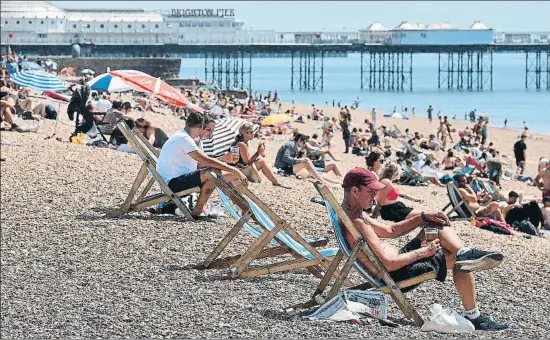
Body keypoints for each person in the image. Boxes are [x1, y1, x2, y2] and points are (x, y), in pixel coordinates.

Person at [340, 168, 507, 331]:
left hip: (400, 261)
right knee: (461, 262)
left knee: (436, 225)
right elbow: (389, 264)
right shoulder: (357, 222)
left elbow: (392, 231)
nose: (375, 195)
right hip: (396, 273)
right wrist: (423, 252)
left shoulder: (355, 214)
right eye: (370, 191)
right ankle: (474, 315)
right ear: (355, 191)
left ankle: (463, 252)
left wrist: (423, 217)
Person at [155, 112, 247, 219]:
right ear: (200, 127)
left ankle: (244, 208)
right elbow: (204, 161)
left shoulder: (183, 136)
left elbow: (201, 163)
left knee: (217, 175)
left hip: (173, 181)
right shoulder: (185, 139)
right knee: (214, 173)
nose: (207, 132)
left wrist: (230, 168)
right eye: (205, 128)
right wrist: (233, 169)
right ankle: (199, 210)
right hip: (172, 184)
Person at [231, 123, 290, 188]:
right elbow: (247, 161)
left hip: (240, 167)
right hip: (238, 169)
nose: (253, 134)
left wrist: (259, 152)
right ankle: (275, 182)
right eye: (251, 132)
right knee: (262, 162)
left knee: (262, 161)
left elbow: (248, 160)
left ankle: (275, 182)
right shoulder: (242, 144)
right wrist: (258, 152)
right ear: (246, 133)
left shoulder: (243, 143)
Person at [274, 133, 340, 185]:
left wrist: (299, 160)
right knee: (306, 162)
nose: (304, 144)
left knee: (307, 163)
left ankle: (329, 181)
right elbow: (285, 158)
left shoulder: (294, 146)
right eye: (304, 142)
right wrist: (299, 160)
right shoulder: (290, 145)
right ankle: (322, 181)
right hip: (282, 168)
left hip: (286, 167)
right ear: (299, 140)